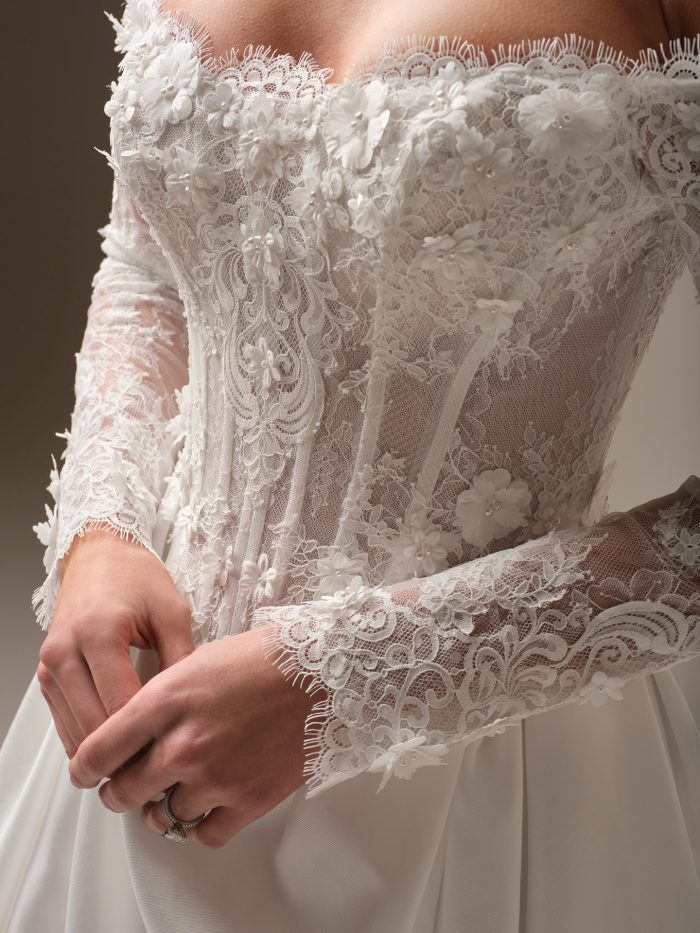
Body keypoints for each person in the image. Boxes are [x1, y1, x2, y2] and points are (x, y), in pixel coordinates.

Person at [1, 0, 699, 929]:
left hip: (483, 773)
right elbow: (148, 263)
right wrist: (100, 534)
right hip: (133, 728)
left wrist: (345, 683)